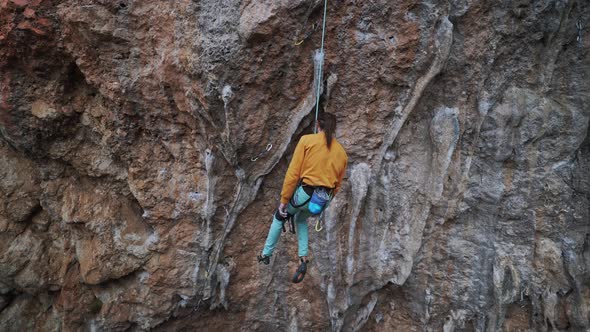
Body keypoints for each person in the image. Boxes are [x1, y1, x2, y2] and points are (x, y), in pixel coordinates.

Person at [258, 112, 348, 281]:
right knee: (300, 220)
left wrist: (284, 201)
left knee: (280, 216)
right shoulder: (342, 153)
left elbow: (293, 174)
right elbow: (337, 186)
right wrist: (324, 202)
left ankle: (266, 253)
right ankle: (303, 258)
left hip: (306, 194)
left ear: (317, 125)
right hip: (322, 199)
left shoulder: (307, 141)